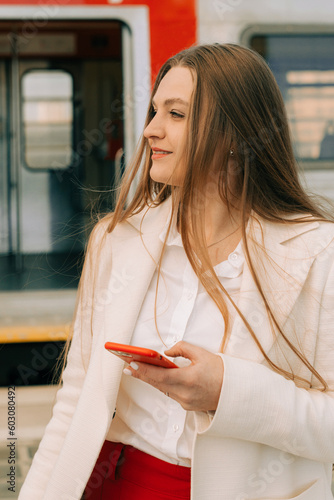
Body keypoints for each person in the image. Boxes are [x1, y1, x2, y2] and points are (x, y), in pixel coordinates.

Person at [18, 43, 334, 500]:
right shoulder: (116, 239)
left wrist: (228, 392)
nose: (149, 130)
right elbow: (76, 400)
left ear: (236, 132)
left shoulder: (317, 252)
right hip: (114, 484)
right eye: (154, 111)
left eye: (177, 114)